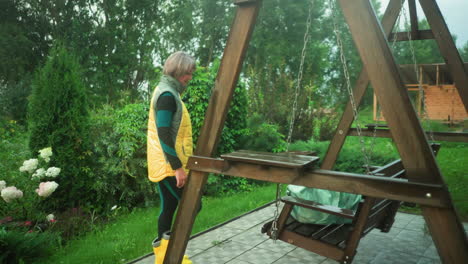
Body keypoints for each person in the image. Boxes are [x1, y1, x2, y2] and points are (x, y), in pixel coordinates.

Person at [147, 51, 196, 263]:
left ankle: (164, 258)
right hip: (168, 165)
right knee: (192, 205)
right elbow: (163, 133)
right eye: (188, 73)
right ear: (179, 71)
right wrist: (177, 167)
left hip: (168, 163)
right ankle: (172, 255)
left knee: (168, 207)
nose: (190, 78)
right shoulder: (167, 95)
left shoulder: (170, 92)